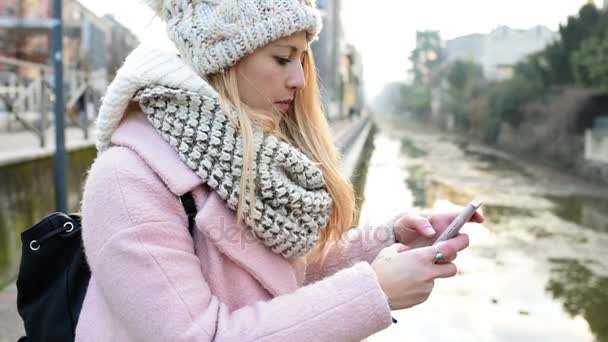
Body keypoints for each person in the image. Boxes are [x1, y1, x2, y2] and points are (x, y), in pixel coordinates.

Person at [75, 0, 484, 341]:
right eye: (283, 58)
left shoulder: (245, 155)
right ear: (222, 58)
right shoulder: (126, 180)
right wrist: (373, 291)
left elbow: (280, 274)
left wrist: (389, 240)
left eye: (302, 58)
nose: (301, 80)